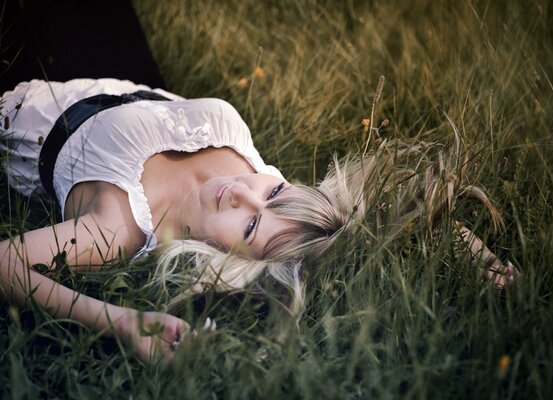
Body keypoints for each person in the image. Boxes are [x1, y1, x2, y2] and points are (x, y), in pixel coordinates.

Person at [0, 78, 517, 364]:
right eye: (274, 192)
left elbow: (7, 262)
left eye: (249, 229)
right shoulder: (263, 182)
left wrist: (125, 323)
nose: (243, 193)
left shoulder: (121, 226)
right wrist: (477, 252)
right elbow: (381, 215)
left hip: (24, 104)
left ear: (231, 263)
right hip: (117, 62)